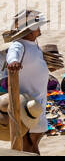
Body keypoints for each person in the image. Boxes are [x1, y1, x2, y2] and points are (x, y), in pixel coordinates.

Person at [4, 10, 50, 153]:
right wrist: (13, 62)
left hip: (38, 103)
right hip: (26, 108)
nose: (40, 29)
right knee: (29, 147)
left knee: (32, 146)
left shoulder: (33, 44)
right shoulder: (19, 44)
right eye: (37, 26)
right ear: (29, 30)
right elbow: (12, 55)